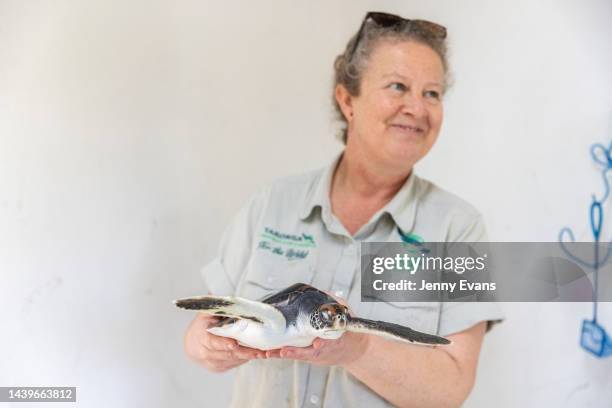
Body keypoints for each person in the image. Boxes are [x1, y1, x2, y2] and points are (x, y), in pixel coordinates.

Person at [184, 11, 503, 408]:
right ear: (347, 100)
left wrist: (356, 349)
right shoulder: (273, 203)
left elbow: (452, 388)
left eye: (432, 93)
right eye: (398, 86)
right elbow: (204, 330)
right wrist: (207, 347)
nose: (417, 108)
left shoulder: (459, 229)